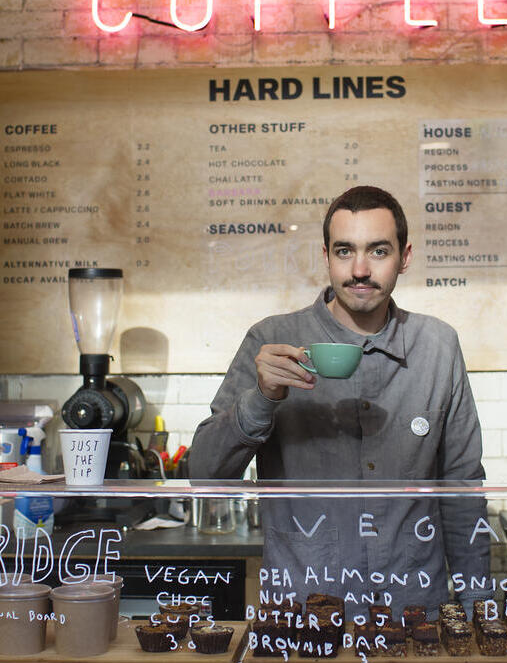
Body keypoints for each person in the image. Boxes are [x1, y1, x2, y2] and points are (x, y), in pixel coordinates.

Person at [190, 185, 488, 617]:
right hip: (303, 612)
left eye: (378, 251)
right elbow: (205, 478)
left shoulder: (438, 346)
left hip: (413, 613)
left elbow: (462, 489)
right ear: (325, 256)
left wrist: (479, 605)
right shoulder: (271, 341)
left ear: (405, 257)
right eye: (345, 251)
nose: (360, 269)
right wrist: (262, 398)